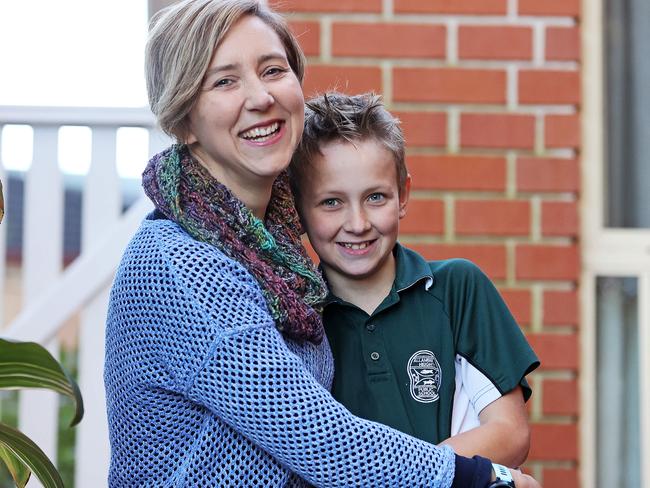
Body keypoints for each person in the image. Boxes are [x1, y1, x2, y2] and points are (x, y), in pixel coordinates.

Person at [104, 1, 541, 486]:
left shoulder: (276, 263)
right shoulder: (180, 262)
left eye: (273, 69)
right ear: (183, 118)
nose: (261, 96)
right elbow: (319, 437)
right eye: (224, 81)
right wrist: (484, 480)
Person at [289, 92, 540, 467]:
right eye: (331, 202)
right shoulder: (297, 323)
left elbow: (511, 434)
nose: (357, 224)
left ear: (403, 195)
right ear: (298, 211)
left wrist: (408, 473)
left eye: (376, 197)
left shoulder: (458, 289)